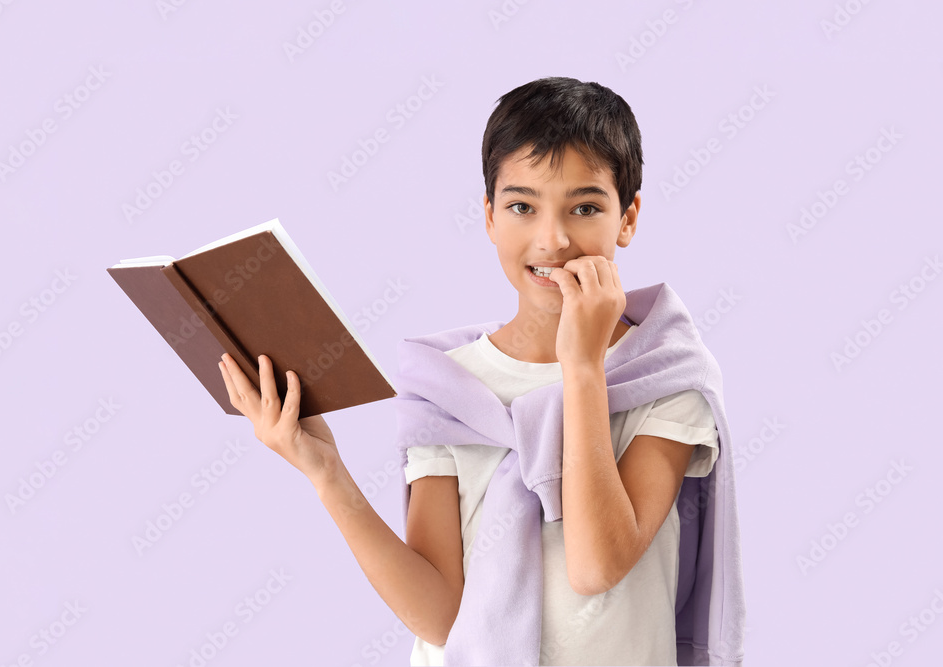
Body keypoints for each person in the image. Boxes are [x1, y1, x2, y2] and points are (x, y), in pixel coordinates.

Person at [218, 77, 745, 666]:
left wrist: (582, 367)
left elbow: (599, 566)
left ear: (628, 217)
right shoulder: (446, 387)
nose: (553, 239)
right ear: (490, 216)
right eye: (522, 206)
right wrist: (325, 472)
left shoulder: (663, 375)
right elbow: (441, 614)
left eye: (586, 207)